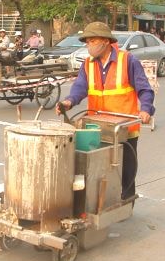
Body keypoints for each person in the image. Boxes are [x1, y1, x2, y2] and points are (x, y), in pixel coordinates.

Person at [55, 21, 155, 201]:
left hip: (124, 128)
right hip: (97, 127)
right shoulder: (88, 64)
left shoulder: (127, 60)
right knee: (98, 167)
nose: (89, 46)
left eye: (92, 41)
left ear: (106, 41)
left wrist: (146, 109)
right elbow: (80, 87)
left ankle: (126, 203)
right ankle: (102, 203)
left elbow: (144, 89)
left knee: (126, 170)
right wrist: (69, 101)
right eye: (87, 42)